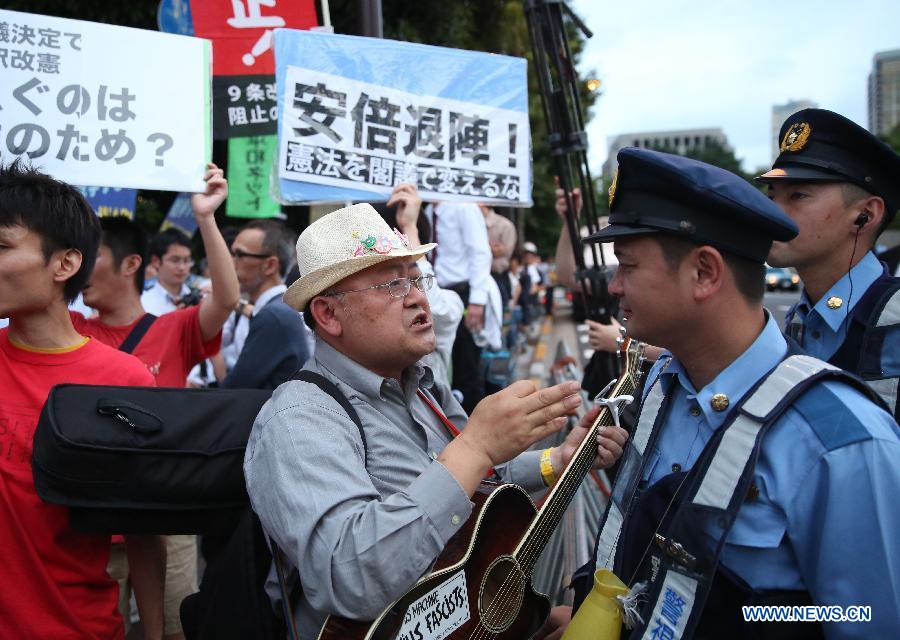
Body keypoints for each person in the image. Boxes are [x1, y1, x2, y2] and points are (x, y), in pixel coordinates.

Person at [244, 203, 630, 640]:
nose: (416, 296)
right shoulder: (300, 419)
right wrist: (474, 446)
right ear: (328, 315)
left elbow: (478, 482)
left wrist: (557, 461)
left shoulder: (425, 386)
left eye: (415, 277)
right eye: (391, 283)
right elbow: (351, 578)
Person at [581, 147, 900, 638]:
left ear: (705, 273)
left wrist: (755, 618)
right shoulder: (664, 387)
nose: (615, 286)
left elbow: (865, 619)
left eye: (628, 266)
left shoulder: (842, 443)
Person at [0, 160, 164, 639]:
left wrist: (153, 633)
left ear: (66, 264)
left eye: (2, 245)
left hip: (78, 627)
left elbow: (142, 529)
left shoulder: (122, 380)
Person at [75, 163, 239, 640]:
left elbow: (226, 299)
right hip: (88, 525)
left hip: (164, 520)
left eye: (93, 254)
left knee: (171, 630)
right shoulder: (70, 333)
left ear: (130, 264)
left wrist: (205, 217)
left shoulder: (174, 328)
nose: (80, 267)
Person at [757, 108, 900, 418]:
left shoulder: (894, 322)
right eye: (771, 196)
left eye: (797, 196)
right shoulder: (801, 319)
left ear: (866, 215)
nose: (772, 212)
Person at [221, 219, 309, 390]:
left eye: (239, 255)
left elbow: (235, 389)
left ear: (269, 266)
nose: (231, 263)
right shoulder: (278, 309)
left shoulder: (274, 316)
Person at [426, 200, 493, 412]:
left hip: (463, 293)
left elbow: (480, 253)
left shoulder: (464, 207)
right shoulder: (427, 211)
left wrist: (477, 301)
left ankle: (477, 425)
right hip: (436, 294)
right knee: (443, 366)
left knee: (467, 366)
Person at [142, 227, 197, 315]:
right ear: (155, 261)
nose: (182, 267)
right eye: (174, 260)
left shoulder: (199, 298)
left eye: (186, 260)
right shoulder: (143, 302)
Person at [482, 204, 517, 309]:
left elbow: (504, 253)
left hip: (497, 277)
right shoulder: (469, 223)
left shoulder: (505, 225)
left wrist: (485, 249)